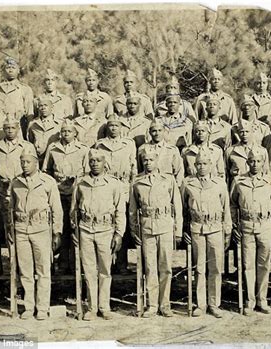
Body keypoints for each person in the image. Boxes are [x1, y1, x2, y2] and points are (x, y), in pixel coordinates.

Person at [8, 147, 63, 321]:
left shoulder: (48, 182)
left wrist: (57, 232)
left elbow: (57, 209)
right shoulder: (15, 182)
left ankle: (42, 308)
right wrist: (11, 230)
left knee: (43, 271)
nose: (24, 165)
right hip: (21, 230)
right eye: (22, 162)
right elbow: (10, 209)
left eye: (28, 162)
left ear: (36, 163)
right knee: (25, 271)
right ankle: (28, 307)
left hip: (41, 230)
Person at [70, 149, 126, 320]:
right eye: (92, 160)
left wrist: (119, 234)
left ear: (104, 163)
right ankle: (92, 307)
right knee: (88, 270)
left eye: (98, 160)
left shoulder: (114, 184)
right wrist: (74, 229)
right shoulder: (81, 183)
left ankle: (104, 306)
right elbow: (73, 209)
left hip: (105, 230)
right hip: (86, 228)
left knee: (105, 270)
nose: (94, 163)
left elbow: (120, 211)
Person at [129, 148, 183, 318]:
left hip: (166, 226)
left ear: (157, 160)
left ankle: (165, 304)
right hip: (147, 228)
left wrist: (178, 230)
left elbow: (178, 207)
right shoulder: (137, 182)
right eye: (145, 160)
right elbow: (132, 210)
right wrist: (134, 230)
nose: (148, 163)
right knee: (150, 267)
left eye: (151, 160)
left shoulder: (168, 179)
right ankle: (152, 305)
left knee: (165, 266)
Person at [230, 147, 271, 315]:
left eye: (258, 161)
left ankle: (262, 299)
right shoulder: (238, 181)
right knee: (248, 265)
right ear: (247, 162)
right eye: (251, 161)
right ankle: (249, 300)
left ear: (263, 163)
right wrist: (234, 225)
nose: (255, 164)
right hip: (246, 225)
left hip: (265, 225)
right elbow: (232, 205)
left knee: (264, 265)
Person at [181, 150, 231, 318]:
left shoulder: (219, 184)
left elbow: (226, 210)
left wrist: (227, 231)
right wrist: (184, 230)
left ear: (211, 166)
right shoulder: (188, 184)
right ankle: (200, 304)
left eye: (205, 164)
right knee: (199, 268)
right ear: (194, 166)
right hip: (197, 228)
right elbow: (184, 211)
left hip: (216, 228)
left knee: (216, 268)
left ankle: (214, 303)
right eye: (199, 164)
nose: (202, 167)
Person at [42, 119, 90, 273]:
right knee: (60, 227)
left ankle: (78, 263)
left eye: (69, 131)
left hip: (76, 193)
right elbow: (47, 171)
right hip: (58, 192)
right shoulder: (53, 148)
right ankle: (62, 263)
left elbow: (88, 172)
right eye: (63, 131)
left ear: (75, 133)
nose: (66, 134)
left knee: (77, 228)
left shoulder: (83, 149)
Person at [0, 117, 36, 273]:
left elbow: (34, 170)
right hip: (5, 193)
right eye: (7, 128)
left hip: (23, 192)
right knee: (9, 229)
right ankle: (13, 269)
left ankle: (27, 270)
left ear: (18, 129)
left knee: (26, 230)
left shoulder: (27, 146)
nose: (10, 130)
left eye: (13, 128)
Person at [94, 114, 137, 274]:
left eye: (116, 125)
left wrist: (132, 189)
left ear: (121, 128)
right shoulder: (100, 145)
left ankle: (121, 263)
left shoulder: (129, 144)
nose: (113, 128)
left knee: (121, 226)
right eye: (111, 125)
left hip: (124, 187)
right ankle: (105, 263)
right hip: (106, 187)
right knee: (106, 224)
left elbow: (134, 168)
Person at [0, 56, 34, 138]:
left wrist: (29, 130)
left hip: (18, 127)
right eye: (8, 67)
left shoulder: (25, 89)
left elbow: (30, 112)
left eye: (13, 67)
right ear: (4, 70)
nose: (10, 70)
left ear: (18, 70)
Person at [138, 119, 184, 186]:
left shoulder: (172, 149)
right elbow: (140, 170)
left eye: (160, 130)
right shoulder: (142, 149)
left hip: (167, 187)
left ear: (164, 131)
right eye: (154, 131)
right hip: (148, 186)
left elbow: (179, 171)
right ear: (149, 132)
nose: (157, 134)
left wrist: (177, 187)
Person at [27, 98, 61, 164]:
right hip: (38, 159)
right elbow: (30, 141)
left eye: (46, 105)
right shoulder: (33, 124)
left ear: (52, 107)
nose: (43, 108)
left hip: (54, 159)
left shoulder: (59, 123)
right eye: (41, 106)